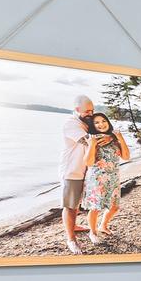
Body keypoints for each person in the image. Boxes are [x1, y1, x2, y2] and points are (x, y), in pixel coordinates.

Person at [76, 112, 130, 243]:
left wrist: (119, 137)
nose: (101, 124)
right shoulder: (91, 138)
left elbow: (126, 157)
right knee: (95, 207)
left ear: (108, 122)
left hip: (114, 177)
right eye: (97, 122)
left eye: (103, 121)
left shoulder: (114, 138)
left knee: (114, 207)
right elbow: (88, 162)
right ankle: (92, 232)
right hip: (97, 179)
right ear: (93, 126)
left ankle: (103, 225)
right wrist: (93, 144)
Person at [58, 95, 95, 254]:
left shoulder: (85, 122)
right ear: (77, 109)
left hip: (84, 171)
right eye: (87, 111)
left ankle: (74, 226)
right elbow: (88, 141)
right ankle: (71, 239)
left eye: (92, 111)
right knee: (69, 206)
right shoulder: (71, 124)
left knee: (77, 204)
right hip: (71, 172)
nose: (91, 114)